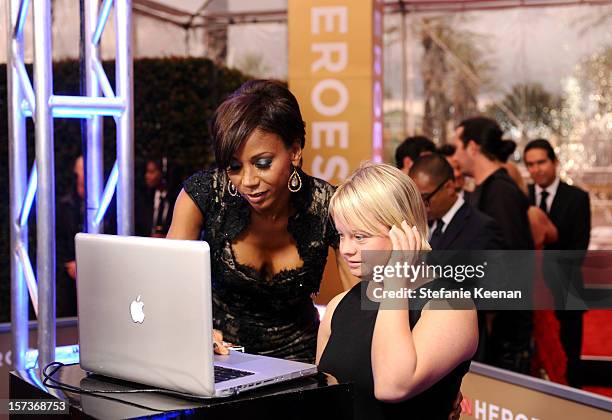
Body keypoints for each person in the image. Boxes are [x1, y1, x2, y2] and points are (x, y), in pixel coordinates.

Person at [167, 80, 353, 363]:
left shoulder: (329, 206)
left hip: (300, 366)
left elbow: (359, 302)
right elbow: (169, 287)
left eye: (262, 163)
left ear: (294, 150)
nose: (248, 182)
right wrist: (196, 331)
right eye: (234, 167)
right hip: (217, 360)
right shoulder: (202, 196)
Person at [317, 162, 477, 420]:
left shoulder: (451, 306)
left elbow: (392, 385)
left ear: (403, 231)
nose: (345, 249)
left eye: (360, 237)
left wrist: (394, 281)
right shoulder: (339, 306)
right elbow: (323, 398)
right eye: (341, 235)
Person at [452, 116, 534, 373]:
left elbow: (514, 263)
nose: (454, 157)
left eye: (457, 147)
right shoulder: (484, 189)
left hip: (504, 331)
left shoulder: (500, 192)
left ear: (472, 147)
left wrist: (490, 313)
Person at [524, 138, 591, 388]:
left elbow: (579, 249)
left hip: (567, 292)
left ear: (555, 162)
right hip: (531, 296)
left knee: (569, 361)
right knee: (535, 359)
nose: (536, 169)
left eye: (541, 162)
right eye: (530, 164)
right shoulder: (522, 197)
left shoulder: (577, 198)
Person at [56, 155, 86, 317]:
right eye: (81, 169)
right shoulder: (64, 205)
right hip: (68, 277)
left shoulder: (105, 204)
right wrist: (69, 263)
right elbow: (57, 239)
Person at [135, 157, 177, 238]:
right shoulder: (144, 198)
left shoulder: (174, 199)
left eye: (151, 172)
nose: (147, 176)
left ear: (163, 173)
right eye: (147, 172)